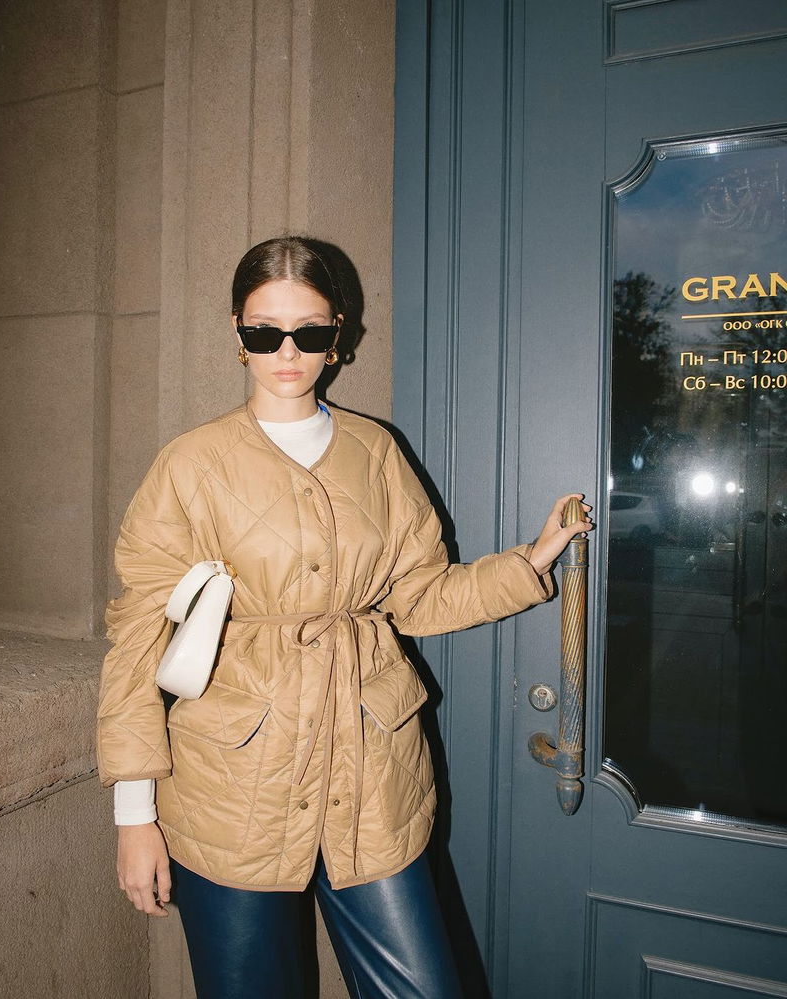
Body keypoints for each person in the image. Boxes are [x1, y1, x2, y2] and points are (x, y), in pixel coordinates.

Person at [96, 236, 593, 998]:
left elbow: (420, 595)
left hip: (372, 781)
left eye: (309, 331)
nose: (286, 352)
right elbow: (136, 640)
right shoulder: (191, 464)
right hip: (232, 790)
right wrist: (135, 814)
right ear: (237, 332)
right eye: (264, 331)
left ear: (337, 334)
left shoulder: (375, 451)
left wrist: (530, 560)